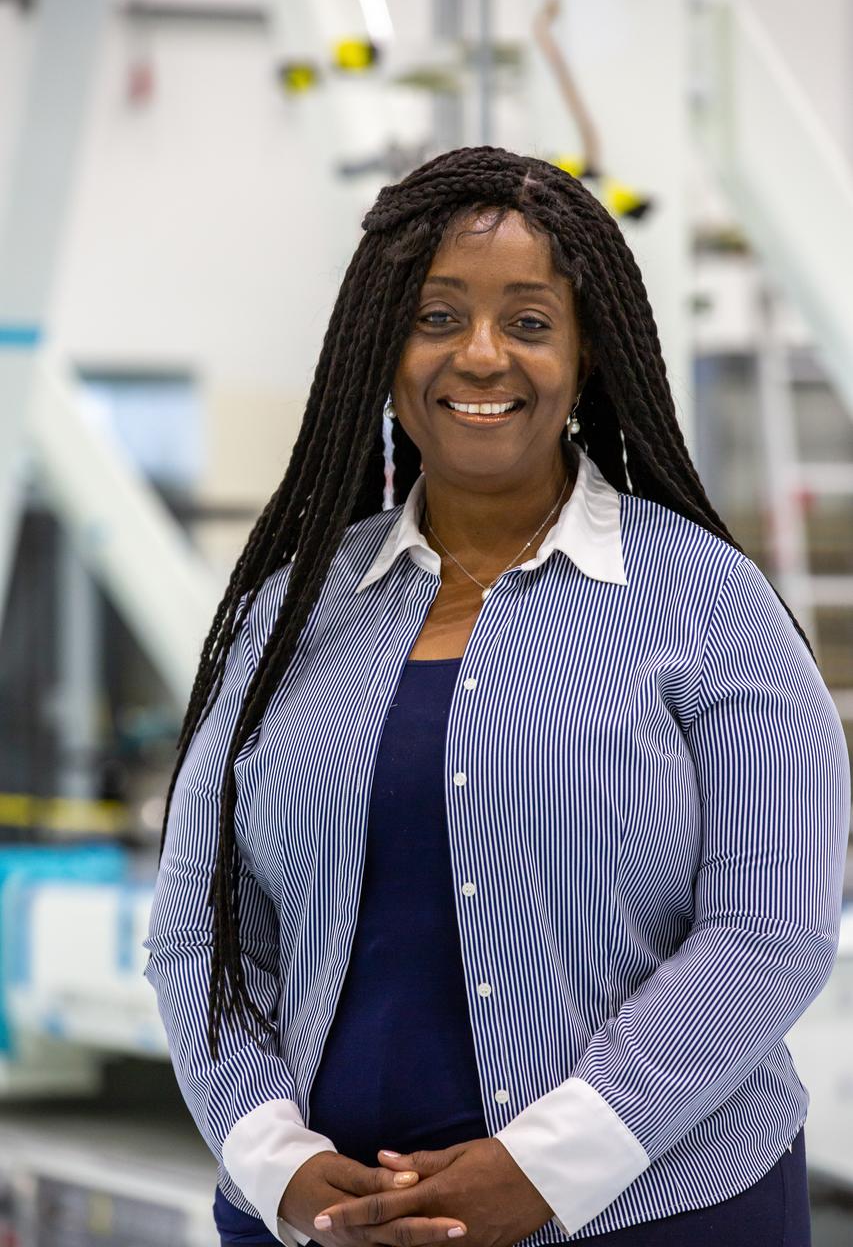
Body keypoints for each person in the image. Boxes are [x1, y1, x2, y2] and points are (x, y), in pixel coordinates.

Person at [143, 145, 849, 1247]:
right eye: (436, 316)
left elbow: (772, 929)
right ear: (381, 350)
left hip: (660, 1211)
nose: (480, 355)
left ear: (585, 356)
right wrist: (284, 1169)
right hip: (329, 1225)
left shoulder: (712, 606)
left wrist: (547, 1165)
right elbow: (197, 933)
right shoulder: (286, 615)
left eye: (528, 321)